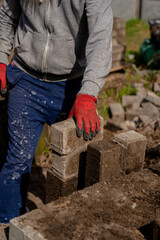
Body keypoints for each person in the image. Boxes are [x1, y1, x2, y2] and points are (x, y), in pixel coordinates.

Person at [0, 0, 113, 223]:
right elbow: (6, 17)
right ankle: (7, 224)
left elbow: (100, 38)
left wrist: (88, 93)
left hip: (71, 86)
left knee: (75, 165)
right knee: (16, 161)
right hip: (25, 80)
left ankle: (70, 226)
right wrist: (1, 59)